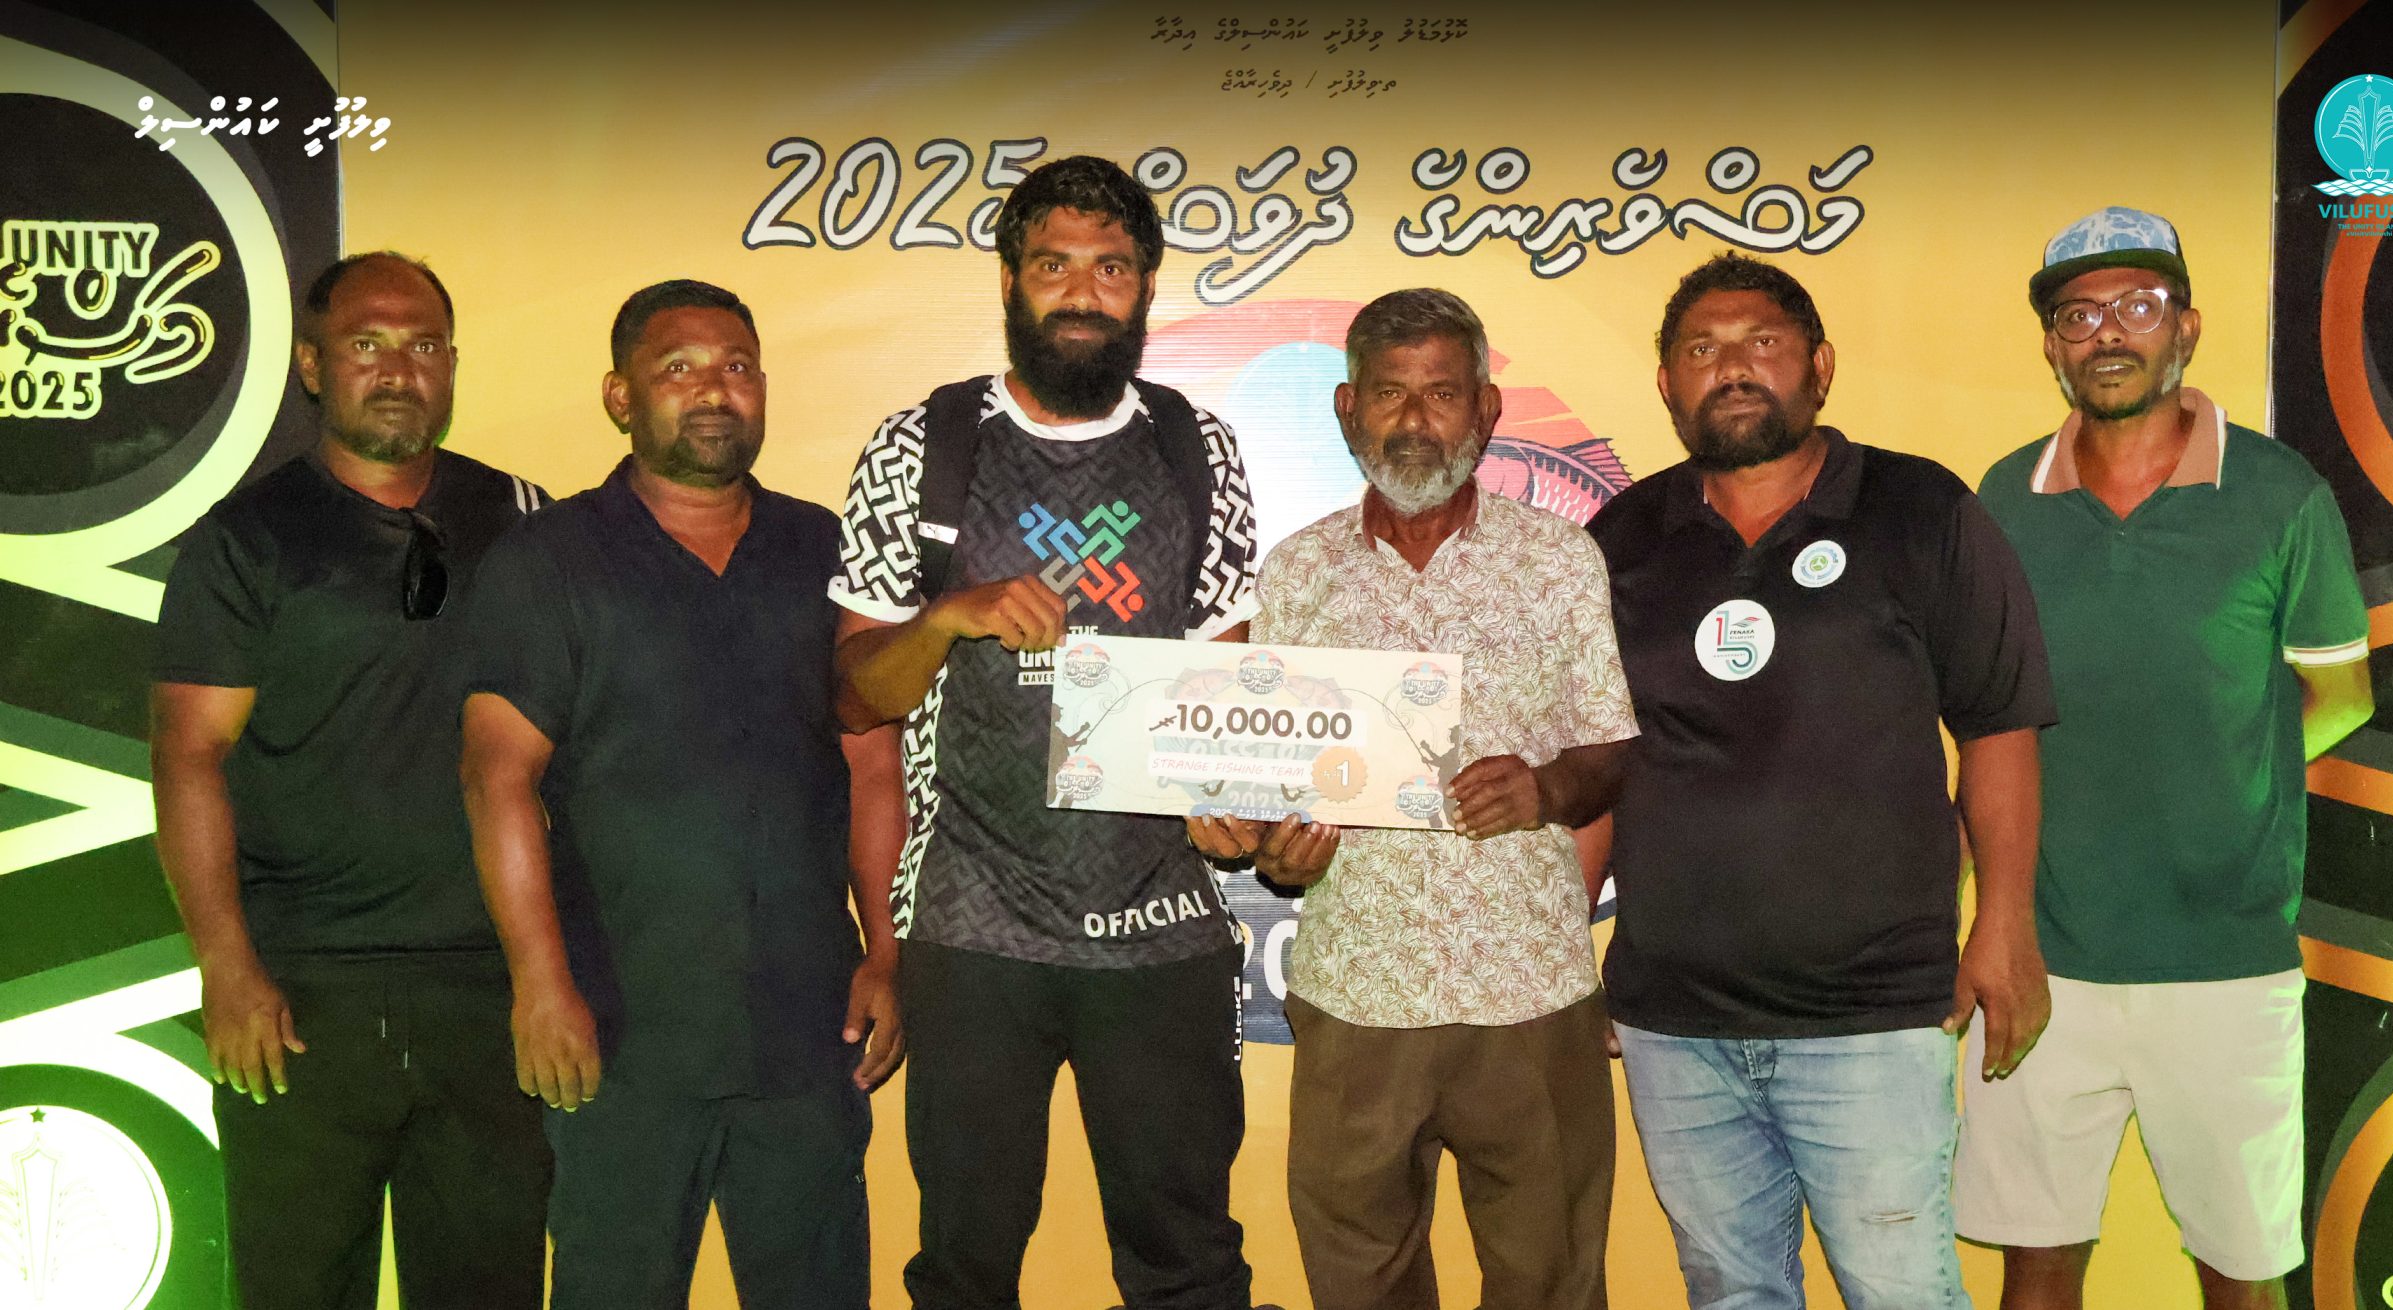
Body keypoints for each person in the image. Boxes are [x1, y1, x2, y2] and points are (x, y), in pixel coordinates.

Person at [831, 154, 1264, 1310]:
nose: (1081, 291)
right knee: (964, 1264)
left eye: (1110, 268)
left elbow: (1222, 692)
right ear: (1009, 281)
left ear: (1145, 286)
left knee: (1189, 1263)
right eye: (1053, 265)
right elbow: (856, 696)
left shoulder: (1197, 448)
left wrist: (1227, 794)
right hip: (973, 926)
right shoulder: (922, 444)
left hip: (1160, 925)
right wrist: (947, 617)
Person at [1585, 251, 2056, 1310]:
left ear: (1820, 366)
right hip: (1675, 1018)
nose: (1732, 367)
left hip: (1871, 1016)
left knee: (1901, 1291)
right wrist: (1563, 953)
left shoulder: (1919, 507)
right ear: (1666, 384)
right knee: (1730, 1292)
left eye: (1762, 343)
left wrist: (2004, 926)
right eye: (1701, 350)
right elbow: (1597, 765)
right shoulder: (1622, 538)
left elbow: (1998, 725)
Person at [1956, 208, 2373, 1310]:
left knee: (2242, 1275)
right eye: (2077, 314)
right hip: (2044, 958)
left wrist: (2224, 768)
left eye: (2136, 306)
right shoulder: (2001, 500)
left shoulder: (2281, 494)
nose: (2107, 333)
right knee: (2036, 1268)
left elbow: (2339, 692)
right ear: (2052, 345)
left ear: (2185, 326)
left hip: (2226, 960)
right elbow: (1980, 716)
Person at [1200, 287, 1634, 1310]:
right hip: (1357, 990)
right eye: (1390, 393)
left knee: (1550, 1282)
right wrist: (1274, 853)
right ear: (1347, 408)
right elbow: (1274, 778)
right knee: (1361, 1281)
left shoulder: (1559, 559)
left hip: (1527, 987)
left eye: (1441, 393)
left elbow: (1613, 748)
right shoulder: (1296, 573)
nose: (1414, 419)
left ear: (1486, 408)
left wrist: (1546, 786)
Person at [461, 280, 882, 1309]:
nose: (713, 390)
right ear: (621, 396)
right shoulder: (550, 559)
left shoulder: (825, 551)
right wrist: (539, 985)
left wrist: (888, 948)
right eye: (678, 368)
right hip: (620, 1035)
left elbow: (875, 761)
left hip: (806, 1029)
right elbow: (496, 776)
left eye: (736, 367)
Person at [150, 251, 549, 1309]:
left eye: (423, 345)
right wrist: (227, 967)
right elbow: (189, 756)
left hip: (489, 992)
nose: (398, 369)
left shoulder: (524, 521)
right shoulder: (248, 539)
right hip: (301, 995)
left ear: (452, 364)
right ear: (313, 365)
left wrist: (558, 973)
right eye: (367, 343)